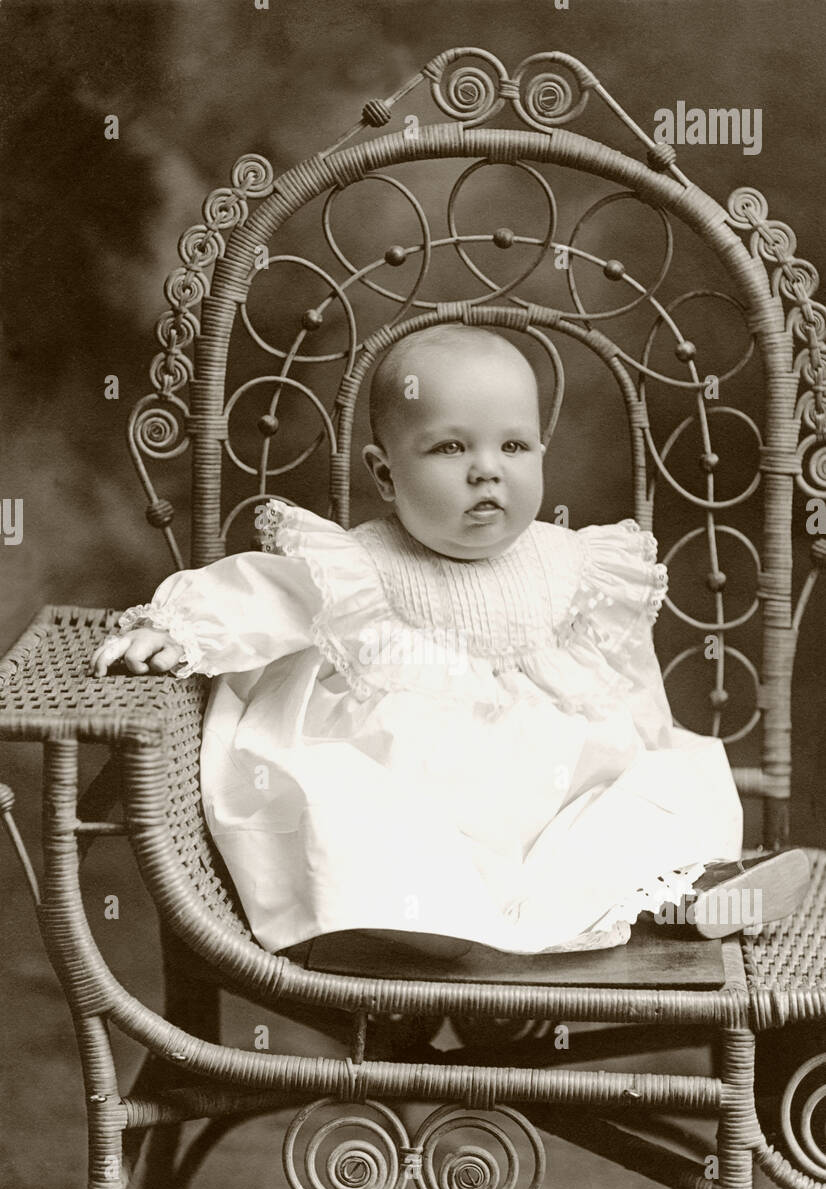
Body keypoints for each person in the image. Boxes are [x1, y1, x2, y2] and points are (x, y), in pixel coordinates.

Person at [89, 325, 808, 958]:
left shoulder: (571, 562)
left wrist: (641, 743)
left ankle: (680, 891)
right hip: (422, 792)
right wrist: (178, 631)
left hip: (552, 801)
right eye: (451, 447)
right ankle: (425, 931)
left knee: (661, 787)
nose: (487, 469)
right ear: (384, 472)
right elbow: (265, 596)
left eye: (514, 445)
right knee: (357, 811)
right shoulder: (362, 565)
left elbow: (625, 678)